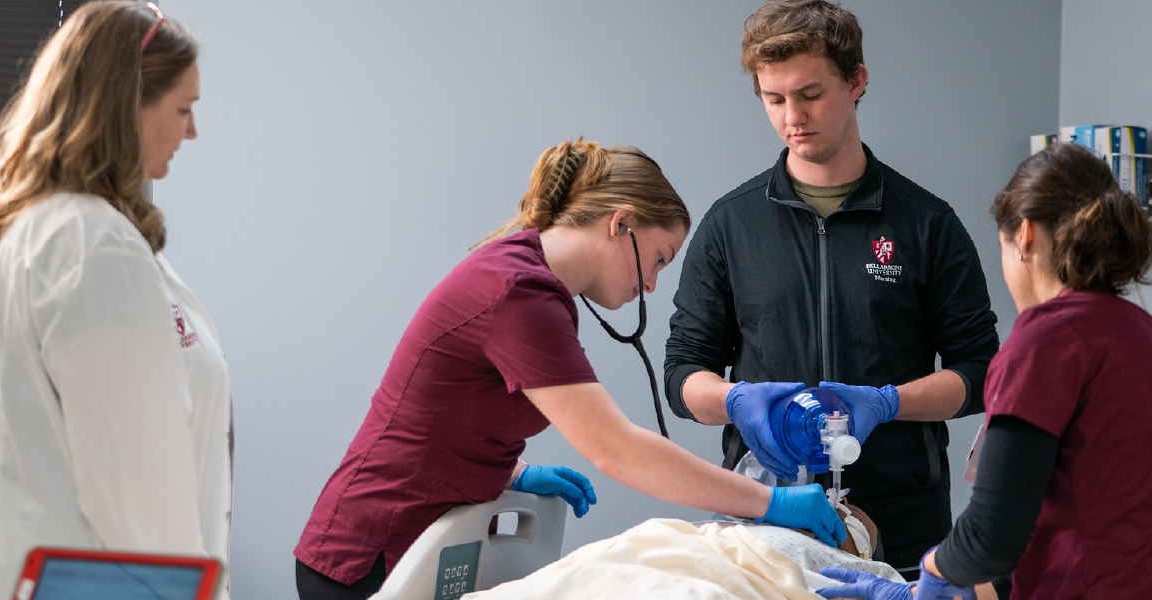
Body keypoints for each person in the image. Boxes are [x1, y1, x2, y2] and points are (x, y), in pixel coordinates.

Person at [293, 139, 846, 600]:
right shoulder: (520, 292)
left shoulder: (528, 278)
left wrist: (507, 473)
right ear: (621, 224)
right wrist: (772, 502)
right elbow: (617, 448)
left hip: (413, 537)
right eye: (658, 258)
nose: (652, 284)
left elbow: (446, 407)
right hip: (369, 555)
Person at [663, 0, 1000, 577]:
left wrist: (889, 403)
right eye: (774, 99)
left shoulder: (926, 224)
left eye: (811, 93)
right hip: (767, 514)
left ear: (857, 81)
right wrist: (737, 401)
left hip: (902, 516)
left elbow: (980, 374)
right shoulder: (730, 225)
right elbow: (682, 376)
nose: (793, 115)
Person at [817, 143, 1152, 600]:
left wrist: (933, 570)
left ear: (1024, 236)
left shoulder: (1046, 340)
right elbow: (1074, 524)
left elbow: (993, 534)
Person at [0, 3, 229, 599]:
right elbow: (138, 489)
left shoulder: (25, 225)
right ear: (126, 110)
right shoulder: (93, 245)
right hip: (89, 580)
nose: (191, 132)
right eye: (183, 109)